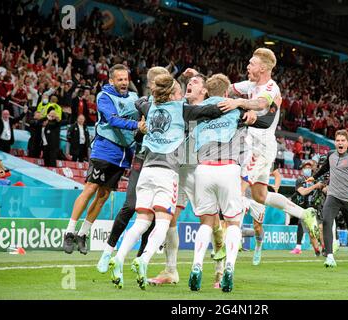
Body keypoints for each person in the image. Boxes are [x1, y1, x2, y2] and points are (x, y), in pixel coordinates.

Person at [108, 74, 227, 289]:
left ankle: (220, 271)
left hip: (199, 168)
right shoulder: (179, 107)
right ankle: (170, 270)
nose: (190, 84)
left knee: (210, 221)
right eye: (187, 83)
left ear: (205, 91)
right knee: (169, 220)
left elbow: (218, 111)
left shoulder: (203, 110)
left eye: (196, 82)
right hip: (175, 170)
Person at [215, 48, 319, 242]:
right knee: (260, 196)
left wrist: (238, 102)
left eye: (251, 64)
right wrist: (207, 85)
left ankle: (227, 241)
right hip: (253, 145)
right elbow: (226, 88)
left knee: (237, 189)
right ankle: (304, 214)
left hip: (260, 147)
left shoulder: (271, 88)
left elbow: (261, 104)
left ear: (262, 68)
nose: (247, 66)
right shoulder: (250, 84)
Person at [189, 73, 272, 292]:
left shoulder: (195, 109)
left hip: (203, 168)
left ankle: (197, 265)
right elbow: (265, 121)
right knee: (233, 223)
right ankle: (229, 268)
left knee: (206, 223)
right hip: (229, 169)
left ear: (207, 91)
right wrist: (259, 111)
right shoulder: (236, 109)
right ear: (227, 93)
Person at [63, 64, 146, 255]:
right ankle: (69, 232)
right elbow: (112, 119)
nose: (124, 82)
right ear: (111, 81)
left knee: (104, 196)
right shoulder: (104, 96)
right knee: (90, 188)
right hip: (104, 150)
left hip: (123, 154)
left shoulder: (134, 98)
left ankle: (83, 234)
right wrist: (137, 125)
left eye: (126, 79)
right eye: (120, 79)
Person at [96, 66, 169, 274]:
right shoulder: (142, 104)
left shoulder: (173, 107)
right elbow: (136, 134)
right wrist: (140, 129)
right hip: (141, 158)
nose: (153, 86)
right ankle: (107, 253)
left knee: (154, 213)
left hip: (164, 163)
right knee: (130, 206)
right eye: (153, 82)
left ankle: (140, 261)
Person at [308, 130, 348, 269]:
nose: (340, 143)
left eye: (343, 140)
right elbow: (325, 168)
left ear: (347, 143)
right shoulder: (330, 155)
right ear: (335, 142)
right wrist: (314, 177)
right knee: (327, 222)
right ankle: (329, 256)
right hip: (333, 195)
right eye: (338, 140)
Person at [289, 160, 325, 256]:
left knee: (321, 228)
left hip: (317, 206)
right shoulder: (300, 180)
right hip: (304, 208)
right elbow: (302, 192)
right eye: (306, 167)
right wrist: (315, 186)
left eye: (309, 167)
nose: (307, 169)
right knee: (310, 230)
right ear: (302, 169)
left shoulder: (317, 178)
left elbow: (323, 188)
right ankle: (316, 251)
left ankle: (325, 249)